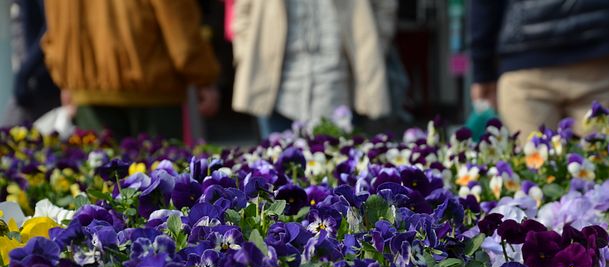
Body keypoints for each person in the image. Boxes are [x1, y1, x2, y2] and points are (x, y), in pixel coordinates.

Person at [41, 0, 221, 140]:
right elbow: (179, 23)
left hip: (88, 91)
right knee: (160, 179)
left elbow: (55, 23)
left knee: (103, 181)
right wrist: (203, 77)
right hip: (152, 90)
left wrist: (66, 78)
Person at [469, 0, 609, 139]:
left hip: (526, 57)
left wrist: (483, 71)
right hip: (600, 51)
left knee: (534, 171)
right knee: (602, 167)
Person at [231, 0, 393, 138]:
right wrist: (246, 55)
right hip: (276, 91)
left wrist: (374, 51)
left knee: (341, 168)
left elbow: (384, 9)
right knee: (275, 169)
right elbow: (242, 14)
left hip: (340, 89)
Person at [1, 0, 60, 127]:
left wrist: (25, 73)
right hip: (34, 78)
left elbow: (51, 27)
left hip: (38, 80)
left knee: (8, 136)